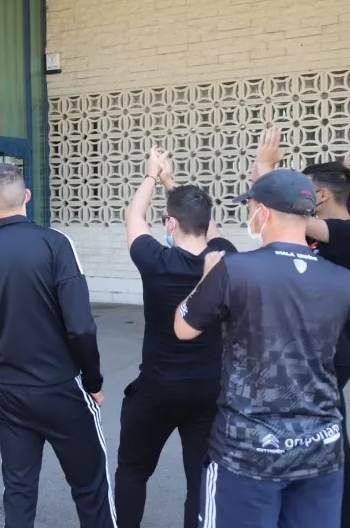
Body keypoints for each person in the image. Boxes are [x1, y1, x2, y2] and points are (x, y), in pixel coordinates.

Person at [175, 168, 350, 527]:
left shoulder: (236, 270)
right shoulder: (341, 280)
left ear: (264, 212)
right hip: (321, 450)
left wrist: (207, 277)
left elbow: (184, 326)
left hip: (247, 452)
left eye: (250, 207)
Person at [0, 162, 116, 528]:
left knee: (19, 493)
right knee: (91, 489)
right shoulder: (56, 245)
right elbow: (81, 327)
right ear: (26, 196)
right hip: (63, 390)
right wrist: (93, 381)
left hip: (10, 395)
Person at [117, 146, 237, 528]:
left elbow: (134, 216)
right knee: (200, 477)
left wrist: (153, 175)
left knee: (133, 470)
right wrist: (173, 184)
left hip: (157, 387)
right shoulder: (224, 258)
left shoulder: (156, 260)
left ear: (169, 223)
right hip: (207, 389)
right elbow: (212, 231)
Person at [253, 126, 350, 527]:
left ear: (323, 197)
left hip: (332, 351)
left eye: (310, 192)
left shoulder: (342, 231)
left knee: (322, 428)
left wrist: (264, 167)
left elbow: (286, 212)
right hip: (326, 349)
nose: (305, 200)